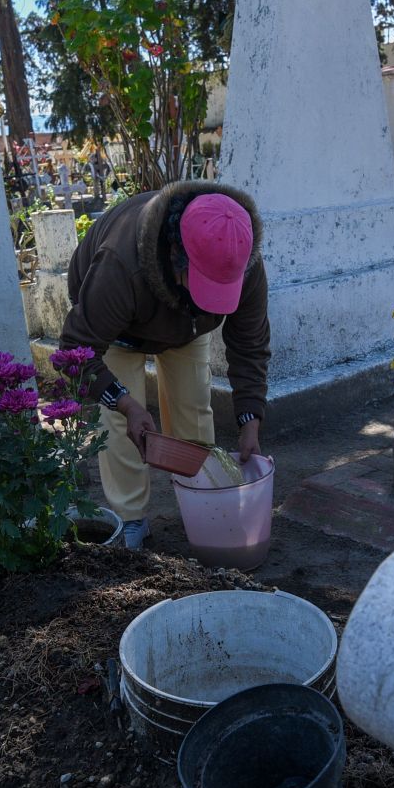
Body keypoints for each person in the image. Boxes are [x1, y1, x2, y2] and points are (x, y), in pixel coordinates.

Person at [58, 180, 270, 549]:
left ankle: (201, 500)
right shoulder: (120, 265)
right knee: (121, 426)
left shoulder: (240, 258)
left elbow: (249, 344)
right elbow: (76, 348)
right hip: (117, 329)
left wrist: (250, 417)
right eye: (204, 284)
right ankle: (131, 519)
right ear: (176, 254)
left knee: (194, 408)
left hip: (187, 327)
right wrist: (126, 403)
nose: (211, 300)